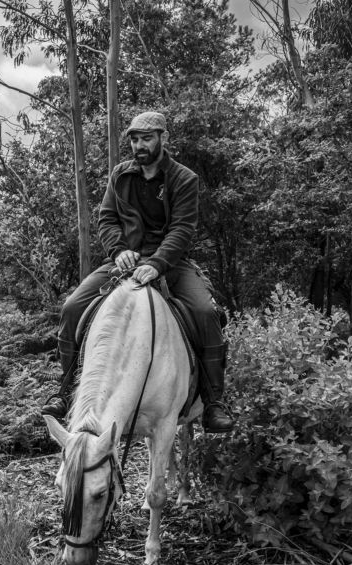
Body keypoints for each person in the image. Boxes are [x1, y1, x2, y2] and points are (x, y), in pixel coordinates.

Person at [41, 111, 233, 433]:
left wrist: (156, 263)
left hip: (170, 263)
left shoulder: (184, 178)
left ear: (163, 138)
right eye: (134, 139)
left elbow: (182, 228)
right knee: (72, 307)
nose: (139, 145)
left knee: (206, 312)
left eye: (146, 138)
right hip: (123, 262)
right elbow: (107, 219)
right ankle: (65, 390)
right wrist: (119, 251)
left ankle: (214, 402)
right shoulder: (120, 175)